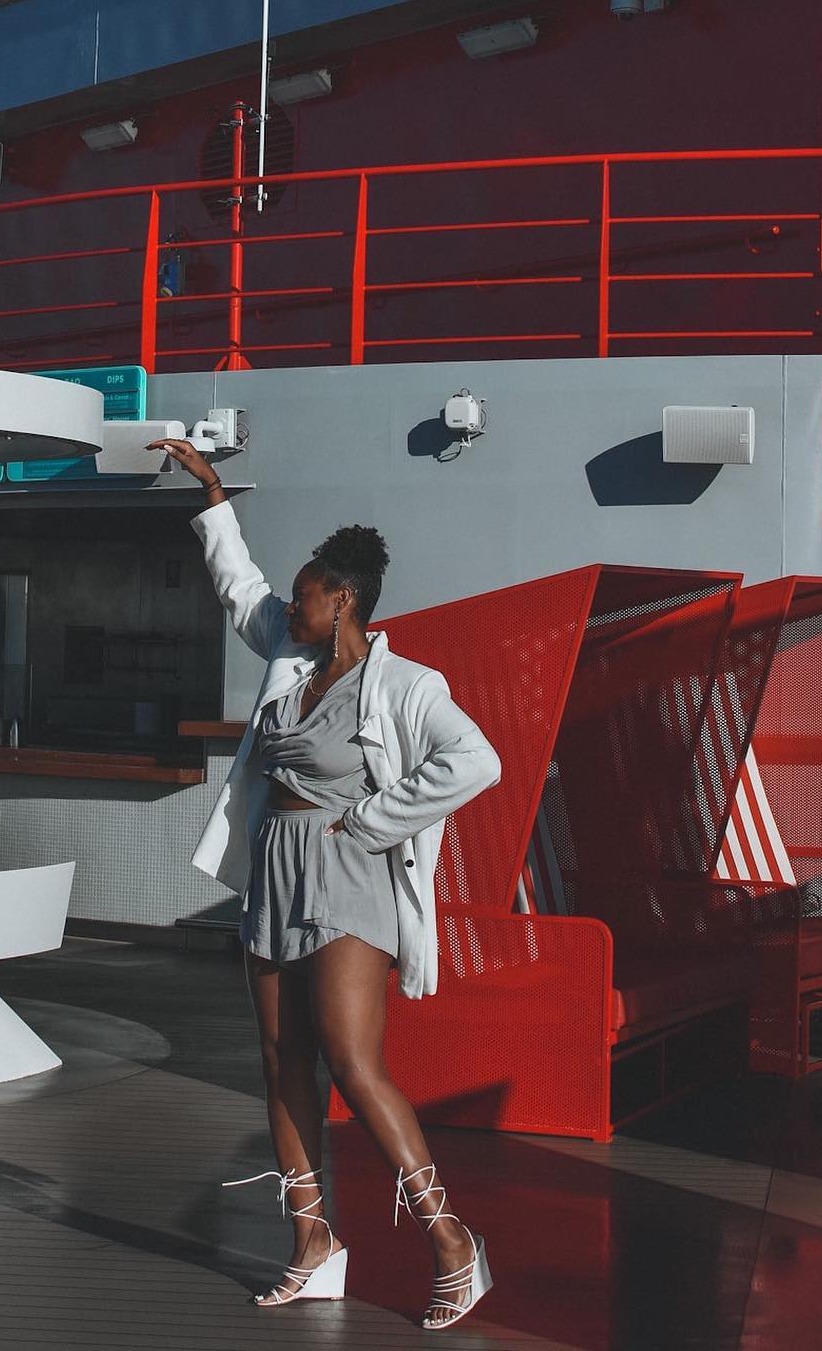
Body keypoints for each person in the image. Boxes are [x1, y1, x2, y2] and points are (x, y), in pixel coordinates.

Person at [149, 438, 502, 1333]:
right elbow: (239, 586)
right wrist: (214, 494)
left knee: (350, 1059)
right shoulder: (289, 656)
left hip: (350, 871)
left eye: (304, 593)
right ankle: (313, 1245)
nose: (289, 604)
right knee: (280, 1061)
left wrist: (375, 821)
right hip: (274, 866)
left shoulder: (408, 685)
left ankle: (452, 1239)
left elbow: (478, 761)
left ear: (341, 598)